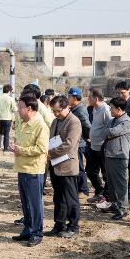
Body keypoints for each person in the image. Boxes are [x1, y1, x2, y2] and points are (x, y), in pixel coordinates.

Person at [10, 95, 49, 247]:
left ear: (29, 109)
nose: (18, 110)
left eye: (20, 107)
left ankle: (36, 233)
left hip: (34, 170)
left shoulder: (40, 125)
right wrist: (15, 147)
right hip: (22, 168)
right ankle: (27, 229)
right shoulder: (23, 123)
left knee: (34, 204)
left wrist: (21, 150)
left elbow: (41, 148)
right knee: (25, 203)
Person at [46, 95, 82, 238]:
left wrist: (49, 153)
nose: (56, 114)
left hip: (67, 165)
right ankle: (59, 224)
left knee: (71, 198)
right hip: (55, 165)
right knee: (58, 197)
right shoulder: (55, 121)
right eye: (53, 111)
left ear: (67, 107)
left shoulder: (74, 122)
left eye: (58, 111)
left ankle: (73, 226)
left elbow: (69, 145)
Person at [102, 97, 130, 220]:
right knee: (111, 183)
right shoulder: (114, 120)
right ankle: (115, 204)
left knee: (120, 184)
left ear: (119, 109)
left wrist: (108, 132)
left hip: (119, 156)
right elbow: (108, 131)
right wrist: (108, 132)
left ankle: (123, 208)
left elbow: (112, 132)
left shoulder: (126, 121)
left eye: (112, 108)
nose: (110, 110)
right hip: (110, 155)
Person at [86, 88, 112, 208]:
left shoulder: (105, 109)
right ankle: (99, 191)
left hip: (102, 146)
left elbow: (110, 127)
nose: (88, 99)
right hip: (93, 146)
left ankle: (106, 197)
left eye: (89, 97)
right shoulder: (94, 109)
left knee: (106, 173)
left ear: (96, 98)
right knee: (90, 171)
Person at [68, 87, 91, 198]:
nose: (68, 98)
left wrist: (87, 138)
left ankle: (84, 190)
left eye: (69, 96)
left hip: (79, 142)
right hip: (75, 142)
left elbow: (87, 126)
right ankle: (78, 188)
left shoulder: (80, 110)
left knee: (79, 167)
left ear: (74, 97)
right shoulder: (74, 108)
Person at [0, 84, 17, 154]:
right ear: (9, 91)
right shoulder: (10, 99)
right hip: (7, 118)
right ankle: (6, 148)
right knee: (6, 133)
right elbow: (14, 109)